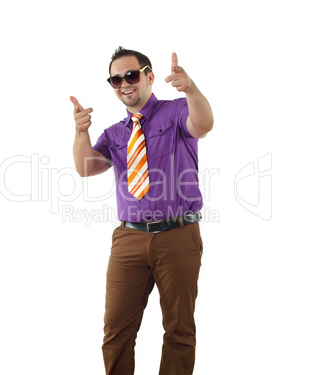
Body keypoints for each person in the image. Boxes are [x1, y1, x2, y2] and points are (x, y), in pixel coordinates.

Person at [70, 47, 213, 375]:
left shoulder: (177, 111)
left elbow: (204, 124)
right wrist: (81, 131)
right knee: (116, 330)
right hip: (128, 239)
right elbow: (85, 167)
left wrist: (190, 88)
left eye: (131, 75)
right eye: (116, 79)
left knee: (179, 330)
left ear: (149, 77)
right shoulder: (115, 134)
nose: (124, 83)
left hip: (178, 234)